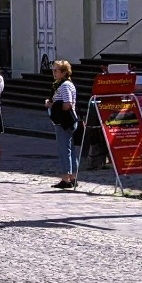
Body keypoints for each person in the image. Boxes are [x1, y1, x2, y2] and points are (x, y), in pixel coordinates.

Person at [47, 60, 81, 190]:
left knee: (64, 150)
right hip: (65, 120)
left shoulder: (65, 85)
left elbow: (67, 104)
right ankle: (73, 177)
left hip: (64, 121)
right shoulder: (62, 84)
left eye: (56, 70)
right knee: (69, 149)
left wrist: (52, 105)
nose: (54, 73)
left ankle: (66, 178)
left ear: (64, 72)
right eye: (53, 70)